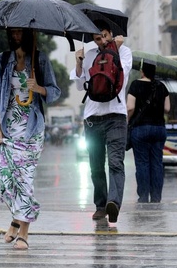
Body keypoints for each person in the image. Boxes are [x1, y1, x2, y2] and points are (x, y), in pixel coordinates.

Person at [0, 28, 61, 250]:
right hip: (7, 129)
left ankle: (24, 232)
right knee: (1, 176)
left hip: (30, 131)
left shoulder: (39, 60)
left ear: (28, 34)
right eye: (13, 32)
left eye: (20, 32)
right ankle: (15, 218)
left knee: (24, 181)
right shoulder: (3, 60)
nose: (16, 35)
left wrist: (38, 87)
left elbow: (55, 91)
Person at [70, 20, 133, 227]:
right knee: (96, 166)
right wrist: (79, 63)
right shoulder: (88, 56)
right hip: (92, 118)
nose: (102, 41)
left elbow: (122, 74)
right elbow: (80, 87)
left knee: (115, 162)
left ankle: (113, 203)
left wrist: (115, 47)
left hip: (116, 115)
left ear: (111, 34)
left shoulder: (124, 52)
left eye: (105, 36)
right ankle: (100, 205)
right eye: (98, 38)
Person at [126, 60, 170, 203]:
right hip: (159, 129)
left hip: (140, 129)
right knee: (157, 163)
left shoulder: (135, 85)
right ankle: (156, 197)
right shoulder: (162, 86)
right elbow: (167, 109)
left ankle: (143, 197)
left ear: (142, 71)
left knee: (142, 163)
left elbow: (130, 107)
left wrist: (128, 121)